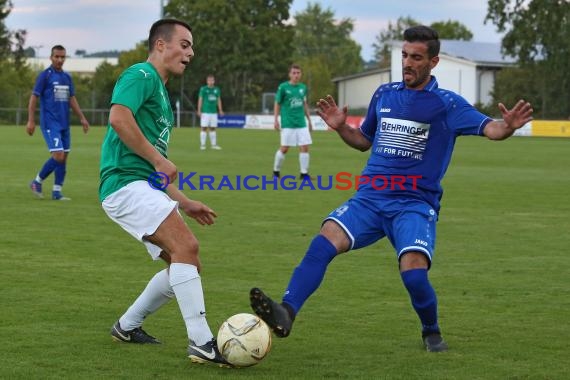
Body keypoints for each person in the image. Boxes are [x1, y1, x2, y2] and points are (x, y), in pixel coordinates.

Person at [250, 25, 533, 352]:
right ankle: (287, 311)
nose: (408, 63)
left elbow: (492, 129)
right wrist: (342, 127)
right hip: (370, 199)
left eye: (416, 57)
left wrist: (508, 126)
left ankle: (431, 331)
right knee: (324, 240)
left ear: (433, 61)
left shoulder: (447, 105)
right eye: (404, 55)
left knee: (413, 274)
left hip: (413, 204)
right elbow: (363, 142)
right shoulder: (385, 94)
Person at [99, 19, 230, 367]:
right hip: (124, 184)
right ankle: (202, 342)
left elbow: (153, 170)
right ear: (160, 44)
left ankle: (127, 326)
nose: (190, 53)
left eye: (191, 48)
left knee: (186, 264)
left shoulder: (160, 92)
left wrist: (184, 202)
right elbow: (117, 118)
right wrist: (160, 158)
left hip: (138, 183)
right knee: (186, 246)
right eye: (184, 44)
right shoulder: (141, 75)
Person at [27, 44, 90, 200]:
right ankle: (36, 182)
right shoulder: (45, 76)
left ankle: (56, 191)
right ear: (51, 57)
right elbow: (34, 97)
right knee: (58, 155)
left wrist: (82, 117)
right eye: (57, 56)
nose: (60, 59)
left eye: (62, 57)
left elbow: (72, 98)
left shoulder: (67, 77)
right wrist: (30, 120)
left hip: (64, 123)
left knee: (64, 157)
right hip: (49, 123)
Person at [272, 64, 314, 179]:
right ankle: (276, 171)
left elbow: (305, 104)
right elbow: (277, 103)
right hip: (288, 123)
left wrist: (309, 120)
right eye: (294, 73)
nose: (296, 75)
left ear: (301, 74)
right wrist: (275, 119)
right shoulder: (283, 87)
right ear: (290, 74)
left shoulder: (303, 88)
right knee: (285, 148)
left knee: (304, 147)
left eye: (298, 73)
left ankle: (304, 173)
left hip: (301, 123)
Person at [197, 74, 224, 150]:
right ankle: (202, 145)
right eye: (209, 80)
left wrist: (220, 110)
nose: (211, 82)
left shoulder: (217, 89)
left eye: (212, 80)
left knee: (213, 128)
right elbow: (200, 99)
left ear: (214, 81)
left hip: (214, 112)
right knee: (204, 127)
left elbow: (218, 100)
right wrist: (199, 110)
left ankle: (213, 145)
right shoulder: (203, 89)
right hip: (205, 112)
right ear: (207, 81)